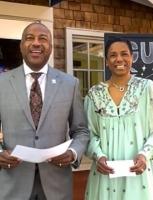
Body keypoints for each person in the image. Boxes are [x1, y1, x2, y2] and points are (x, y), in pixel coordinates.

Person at [0, 21, 89, 200]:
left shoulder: (70, 84)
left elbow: (81, 131)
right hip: (13, 184)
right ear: (21, 45)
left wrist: (72, 153)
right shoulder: (2, 83)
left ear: (50, 46)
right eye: (29, 38)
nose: (36, 43)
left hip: (56, 185)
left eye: (43, 38)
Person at [84, 38, 153, 200]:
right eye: (113, 55)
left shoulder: (147, 88)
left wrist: (145, 155)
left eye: (124, 54)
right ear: (107, 61)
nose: (119, 59)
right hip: (105, 177)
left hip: (139, 176)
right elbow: (89, 133)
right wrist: (98, 155)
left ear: (132, 57)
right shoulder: (94, 94)